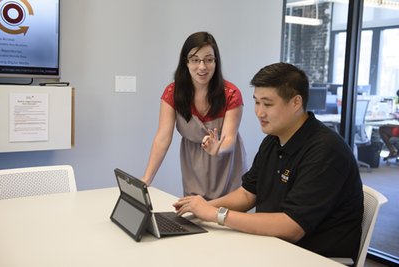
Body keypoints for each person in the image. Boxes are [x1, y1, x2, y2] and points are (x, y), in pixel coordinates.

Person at [174, 62, 364, 261]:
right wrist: (200, 209)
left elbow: (292, 227)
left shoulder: (326, 150)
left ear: (296, 102)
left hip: (314, 257)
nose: (259, 112)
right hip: (273, 246)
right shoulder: (273, 141)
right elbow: (248, 194)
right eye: (256, 102)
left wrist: (215, 214)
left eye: (268, 104)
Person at [142, 31, 247, 200]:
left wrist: (217, 148)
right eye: (195, 60)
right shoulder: (173, 93)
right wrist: (147, 178)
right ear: (186, 62)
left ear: (216, 61)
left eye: (208, 59)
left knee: (226, 216)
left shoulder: (231, 94)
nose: (202, 67)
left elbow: (229, 140)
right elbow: (162, 138)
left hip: (225, 164)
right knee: (195, 213)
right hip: (193, 164)